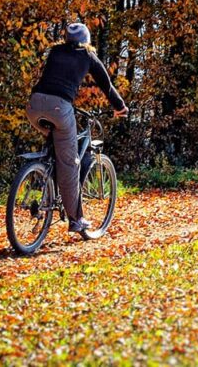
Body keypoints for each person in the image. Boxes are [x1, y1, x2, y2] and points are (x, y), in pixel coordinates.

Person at [26, 22, 128, 233]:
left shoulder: (55, 51)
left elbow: (55, 78)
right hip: (60, 108)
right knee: (70, 163)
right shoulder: (87, 56)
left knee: (57, 145)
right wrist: (120, 107)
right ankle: (76, 219)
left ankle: (47, 177)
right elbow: (106, 85)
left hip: (34, 106)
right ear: (87, 40)